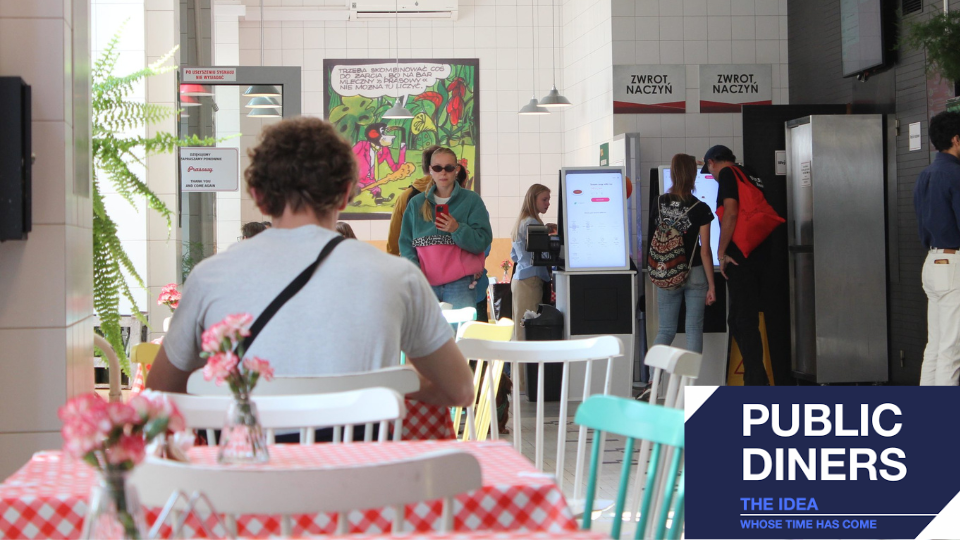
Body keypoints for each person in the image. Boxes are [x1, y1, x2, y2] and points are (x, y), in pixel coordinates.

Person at [146, 117, 474, 408]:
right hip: (356, 457)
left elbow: (159, 391)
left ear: (258, 196)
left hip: (247, 457)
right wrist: (388, 385)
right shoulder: (398, 277)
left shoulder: (209, 277)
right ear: (346, 193)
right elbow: (459, 390)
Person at [703, 144, 769, 386]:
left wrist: (721, 252)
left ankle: (757, 384)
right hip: (759, 251)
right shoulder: (748, 172)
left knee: (743, 321)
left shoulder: (727, 175)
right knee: (740, 320)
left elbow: (731, 212)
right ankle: (757, 379)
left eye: (709, 170)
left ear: (712, 162)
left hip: (740, 256)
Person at [399, 147, 492, 310]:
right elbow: (406, 244)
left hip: (460, 284)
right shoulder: (416, 203)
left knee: (459, 327)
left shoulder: (472, 200)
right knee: (427, 328)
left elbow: (482, 241)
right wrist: (415, 273)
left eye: (448, 168)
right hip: (425, 283)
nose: (443, 172)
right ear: (430, 170)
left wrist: (457, 229)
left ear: (456, 170)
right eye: (437, 168)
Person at [650, 154, 717, 353]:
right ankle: (691, 373)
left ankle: (654, 373)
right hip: (694, 272)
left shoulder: (659, 202)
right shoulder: (701, 208)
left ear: (672, 174)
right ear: (693, 175)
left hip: (667, 270)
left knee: (666, 330)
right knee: (694, 329)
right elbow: (705, 251)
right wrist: (712, 286)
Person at [914, 111, 960, 385]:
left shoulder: (926, 174)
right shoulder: (955, 174)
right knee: (951, 351)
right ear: (956, 139)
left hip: (932, 263)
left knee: (935, 346)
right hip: (953, 265)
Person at [510, 184, 552, 340]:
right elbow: (543, 255)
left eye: (548, 199)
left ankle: (519, 358)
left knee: (519, 328)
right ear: (533, 200)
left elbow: (514, 256)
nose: (548, 203)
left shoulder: (520, 222)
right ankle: (526, 358)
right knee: (529, 329)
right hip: (531, 280)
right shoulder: (533, 223)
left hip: (519, 278)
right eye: (544, 199)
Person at [387, 145, 439, 256]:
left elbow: (394, 239)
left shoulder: (405, 196)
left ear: (423, 167)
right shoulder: (455, 195)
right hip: (447, 262)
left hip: (413, 261)